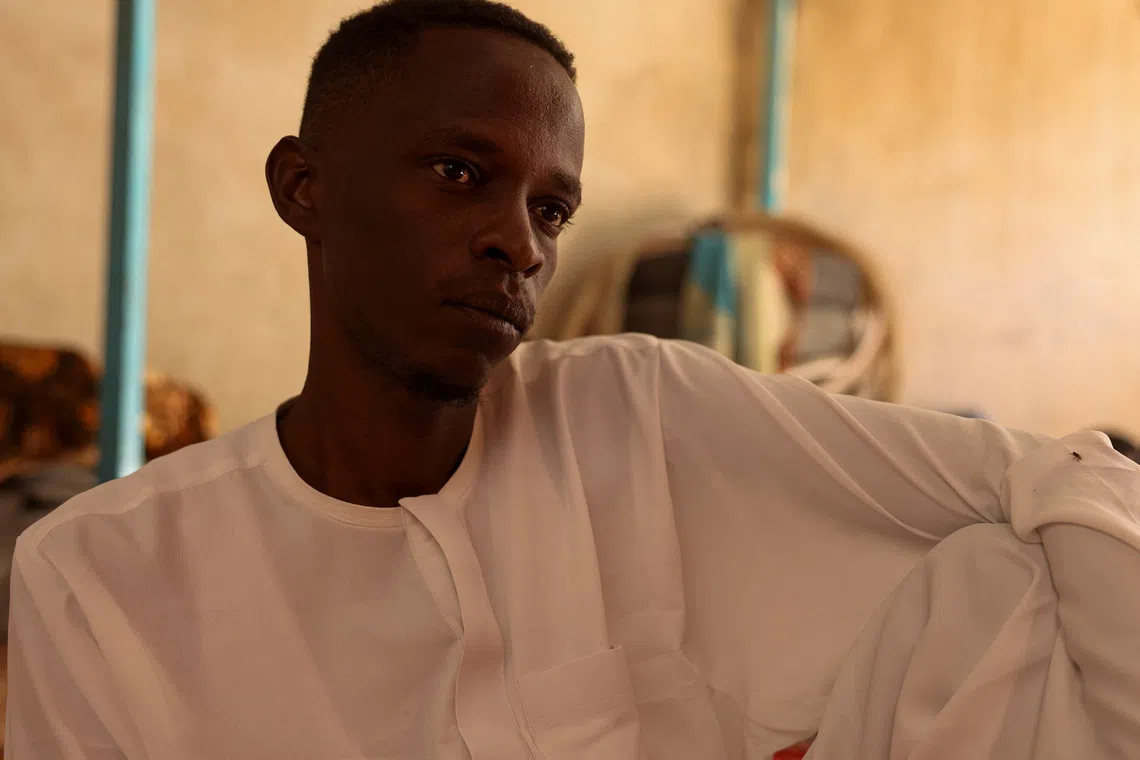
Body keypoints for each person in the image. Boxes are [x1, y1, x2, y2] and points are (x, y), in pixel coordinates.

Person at [7, 1, 1140, 758]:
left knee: (1019, 581)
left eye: (551, 209)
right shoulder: (103, 579)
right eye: (461, 173)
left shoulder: (635, 408)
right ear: (303, 188)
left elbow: (1058, 479)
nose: (520, 243)